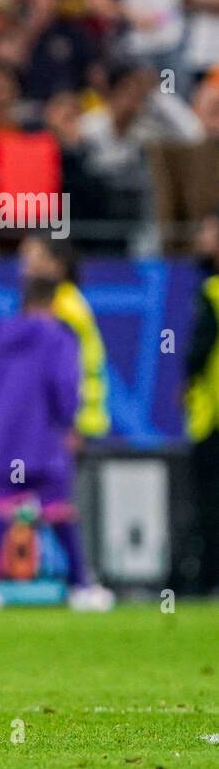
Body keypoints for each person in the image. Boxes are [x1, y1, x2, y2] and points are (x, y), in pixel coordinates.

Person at [0, 275, 113, 613]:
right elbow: (63, 384)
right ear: (52, 303)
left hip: (5, 443)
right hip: (42, 439)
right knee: (59, 509)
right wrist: (70, 423)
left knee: (2, 510)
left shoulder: (1, 338)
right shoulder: (57, 337)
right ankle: (81, 587)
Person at [20, 234, 111, 439]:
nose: (26, 266)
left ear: (56, 266)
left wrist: (71, 426)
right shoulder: (53, 303)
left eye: (34, 258)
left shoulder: (64, 307)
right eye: (24, 257)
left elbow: (65, 370)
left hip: (72, 425)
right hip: (63, 422)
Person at [183, 211, 219, 595]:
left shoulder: (211, 292)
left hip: (212, 418)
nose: (200, 238)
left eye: (208, 231)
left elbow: (196, 355)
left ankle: (202, 580)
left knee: (207, 505)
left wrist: (186, 383)